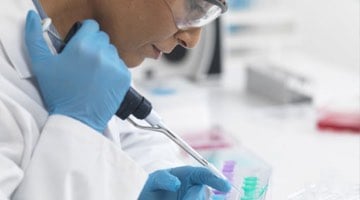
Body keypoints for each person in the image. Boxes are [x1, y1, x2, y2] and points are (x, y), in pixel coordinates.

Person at [0, 0, 230, 199]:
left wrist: (140, 186)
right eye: (194, 5)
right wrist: (77, 125)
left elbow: (136, 141)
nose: (192, 40)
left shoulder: (94, 47)